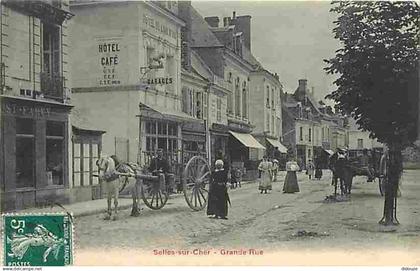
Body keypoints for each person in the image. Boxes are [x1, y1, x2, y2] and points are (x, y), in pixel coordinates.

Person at [97, 154, 121, 220]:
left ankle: (116, 211)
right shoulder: (107, 169)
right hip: (109, 178)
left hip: (115, 180)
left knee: (115, 198)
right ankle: (109, 211)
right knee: (109, 196)